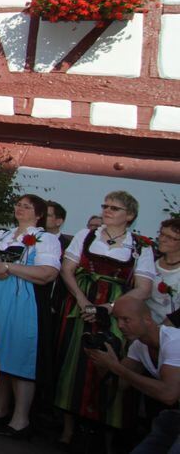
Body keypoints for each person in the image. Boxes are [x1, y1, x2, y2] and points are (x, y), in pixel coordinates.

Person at [54, 190, 154, 447]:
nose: (107, 210)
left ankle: (106, 437)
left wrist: (109, 307)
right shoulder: (86, 235)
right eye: (105, 206)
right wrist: (82, 300)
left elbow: (143, 288)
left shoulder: (140, 246)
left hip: (118, 311)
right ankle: (67, 430)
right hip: (81, 305)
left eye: (114, 208)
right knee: (74, 362)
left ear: (129, 215)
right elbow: (67, 270)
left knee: (111, 361)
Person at [0, 194, 61, 438]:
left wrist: (9, 267)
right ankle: (0, 408)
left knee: (19, 355)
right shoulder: (2, 235)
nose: (20, 209)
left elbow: (47, 273)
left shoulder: (46, 239)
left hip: (22, 300)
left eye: (27, 206)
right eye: (18, 205)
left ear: (39, 214)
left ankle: (21, 419)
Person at [87, 297, 180, 452]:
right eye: (117, 319)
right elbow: (120, 384)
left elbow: (169, 394)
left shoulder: (174, 341)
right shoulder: (138, 346)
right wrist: (101, 361)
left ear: (147, 320)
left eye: (126, 319)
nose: (120, 325)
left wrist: (115, 366)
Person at [149, 219, 180, 326]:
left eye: (170, 238)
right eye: (161, 234)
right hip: (144, 324)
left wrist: (160, 330)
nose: (162, 239)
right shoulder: (151, 261)